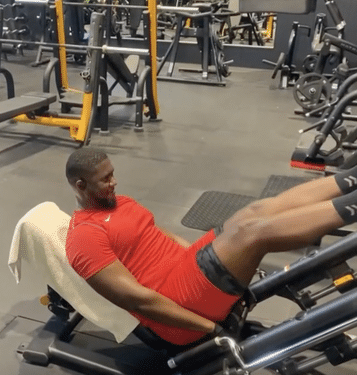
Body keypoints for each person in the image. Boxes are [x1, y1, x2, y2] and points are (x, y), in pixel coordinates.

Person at [64, 147, 355, 346]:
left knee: (252, 213)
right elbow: (138, 301)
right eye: (105, 179)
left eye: (113, 173)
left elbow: (154, 233)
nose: (114, 182)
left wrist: (204, 254)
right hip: (175, 308)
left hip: (186, 269)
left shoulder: (118, 202)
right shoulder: (84, 237)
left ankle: (348, 180)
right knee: (252, 233)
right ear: (80, 185)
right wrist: (211, 328)